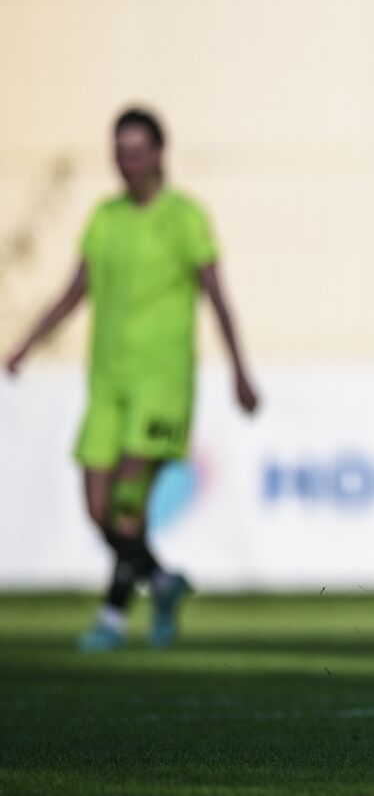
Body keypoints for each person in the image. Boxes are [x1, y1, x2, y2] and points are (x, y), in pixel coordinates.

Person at [6, 107, 258, 651]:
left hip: (162, 379)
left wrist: (240, 370)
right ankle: (163, 584)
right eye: (120, 152)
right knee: (99, 509)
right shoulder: (105, 217)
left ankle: (113, 619)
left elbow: (217, 297)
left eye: (137, 152)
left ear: (160, 155)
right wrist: (27, 341)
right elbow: (76, 290)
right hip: (107, 380)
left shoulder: (186, 217)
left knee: (126, 500)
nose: (127, 162)